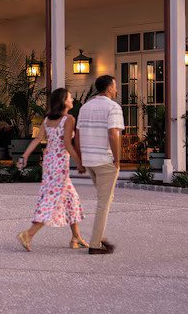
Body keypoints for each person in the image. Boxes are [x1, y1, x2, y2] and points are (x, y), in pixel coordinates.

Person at [14, 88, 87, 251]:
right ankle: (29, 234)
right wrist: (79, 163)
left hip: (49, 163)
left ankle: (76, 237)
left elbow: (39, 139)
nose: (72, 100)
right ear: (63, 101)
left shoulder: (47, 120)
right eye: (70, 97)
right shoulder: (69, 119)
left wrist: (24, 156)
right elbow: (67, 144)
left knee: (71, 198)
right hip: (60, 164)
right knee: (51, 200)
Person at [76, 74, 124, 255]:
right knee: (104, 202)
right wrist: (117, 160)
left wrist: (81, 160)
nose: (117, 89)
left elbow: (78, 135)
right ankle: (95, 243)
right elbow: (113, 134)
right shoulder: (113, 107)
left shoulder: (85, 107)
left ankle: (99, 236)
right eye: (115, 86)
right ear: (110, 88)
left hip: (89, 160)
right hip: (104, 160)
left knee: (105, 198)